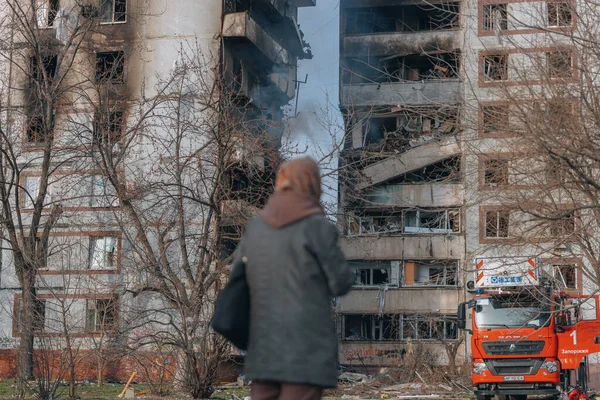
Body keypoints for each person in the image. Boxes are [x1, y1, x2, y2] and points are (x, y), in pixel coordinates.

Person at [233, 157, 354, 400]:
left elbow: (239, 281)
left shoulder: (256, 229)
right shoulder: (318, 227)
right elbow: (340, 282)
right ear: (313, 185)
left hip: (263, 347)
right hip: (305, 349)